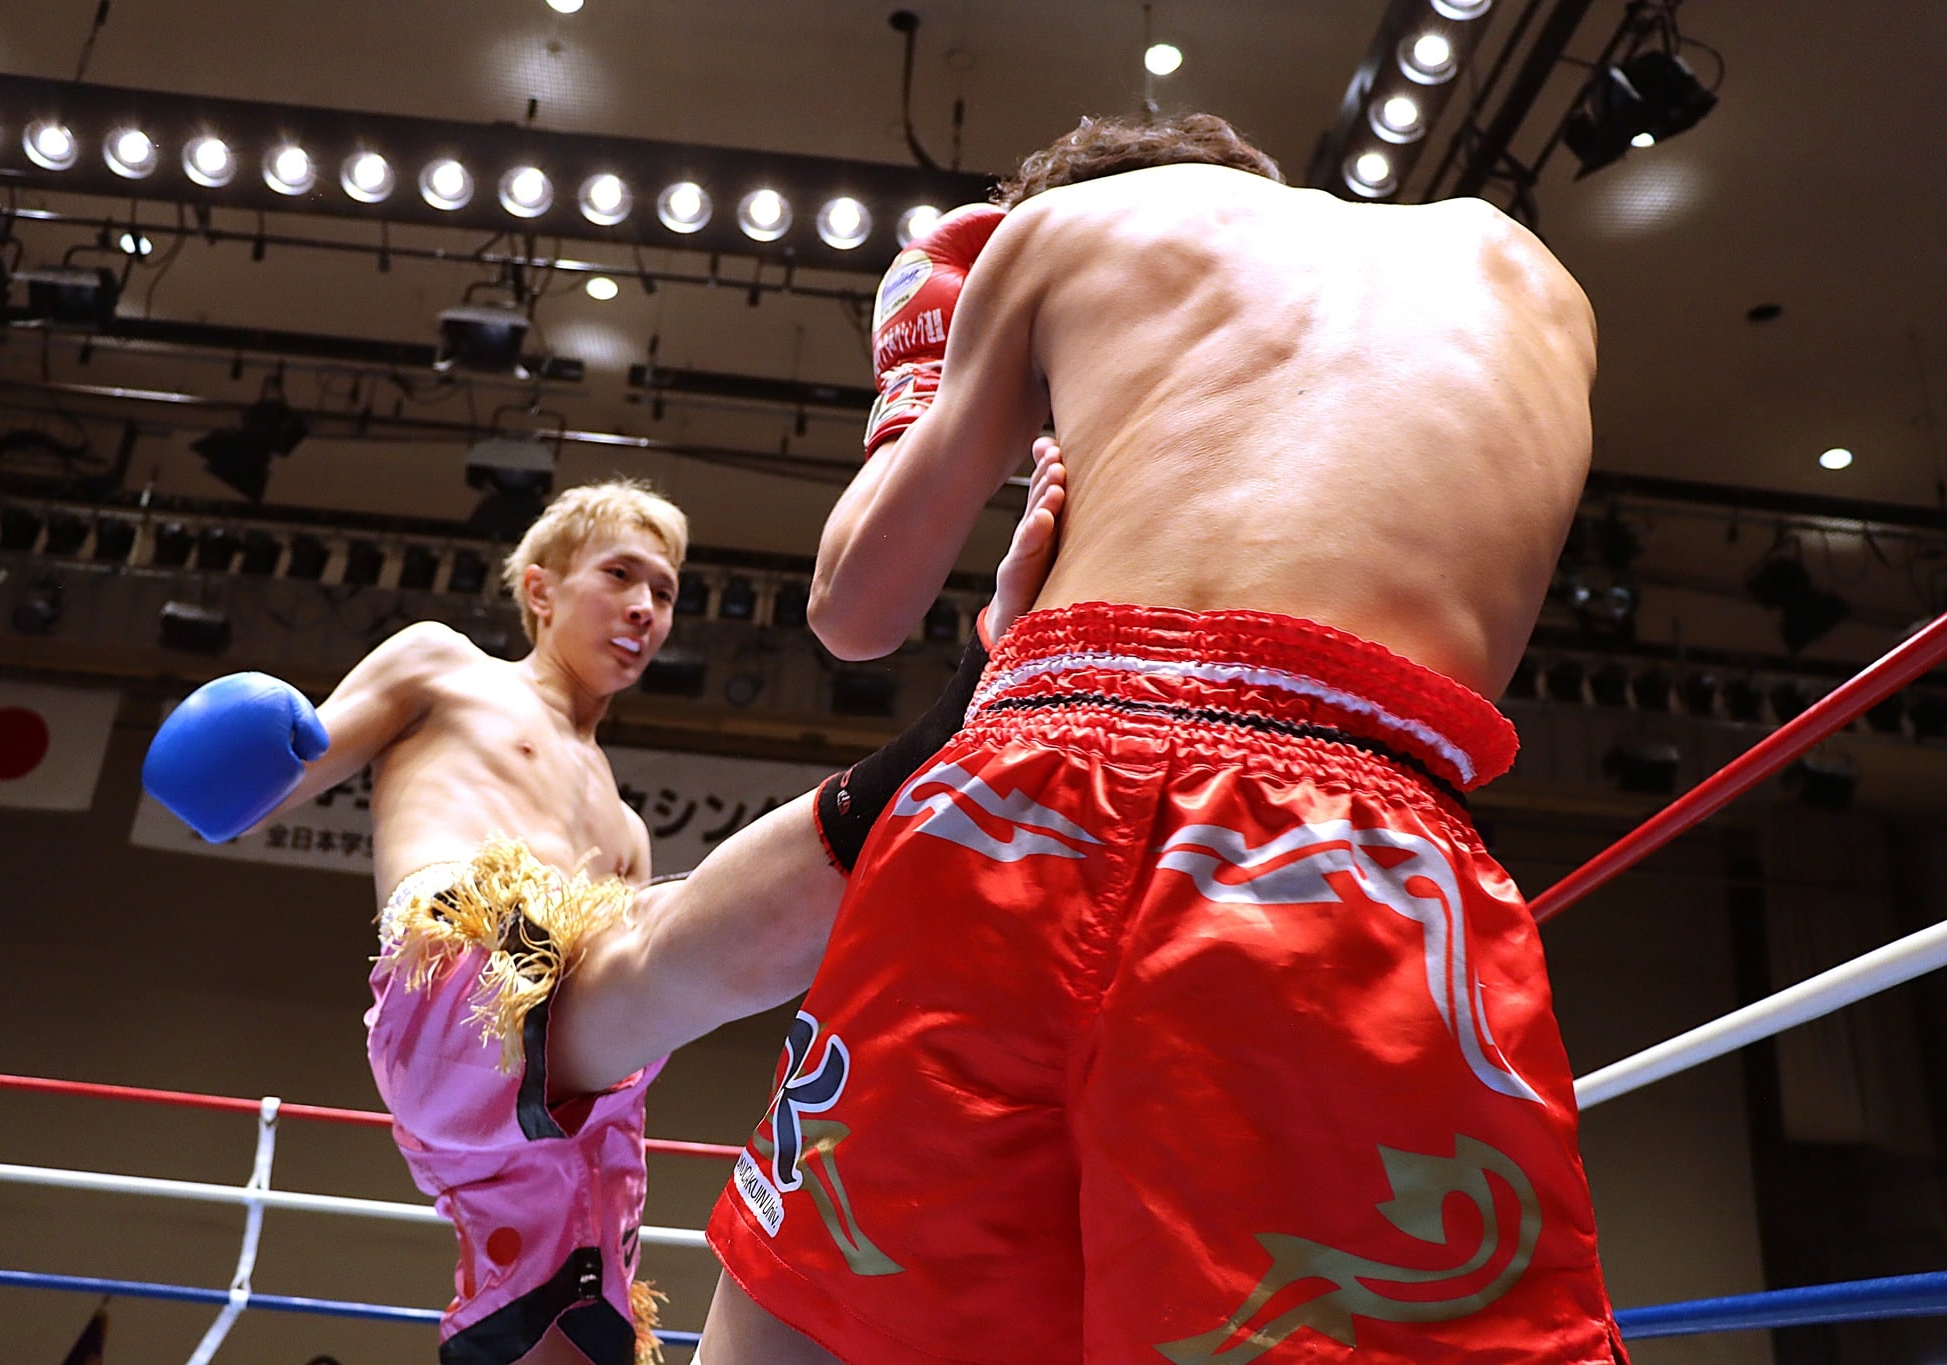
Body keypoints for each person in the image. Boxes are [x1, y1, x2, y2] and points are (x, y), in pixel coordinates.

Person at [700, 114, 1628, 1364]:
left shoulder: (1056, 231)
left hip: (1023, 799)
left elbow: (853, 612)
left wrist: (915, 393)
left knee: (823, 1322)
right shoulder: (1524, 272)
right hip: (1359, 860)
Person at [140, 467, 1065, 1365]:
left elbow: (636, 1005)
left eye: (663, 591)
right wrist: (251, 750)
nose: (644, 608)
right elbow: (268, 780)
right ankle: (939, 735)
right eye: (619, 574)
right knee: (669, 930)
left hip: (564, 1106)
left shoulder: (625, 826)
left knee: (580, 1317)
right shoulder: (446, 667)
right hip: (459, 991)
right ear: (540, 589)